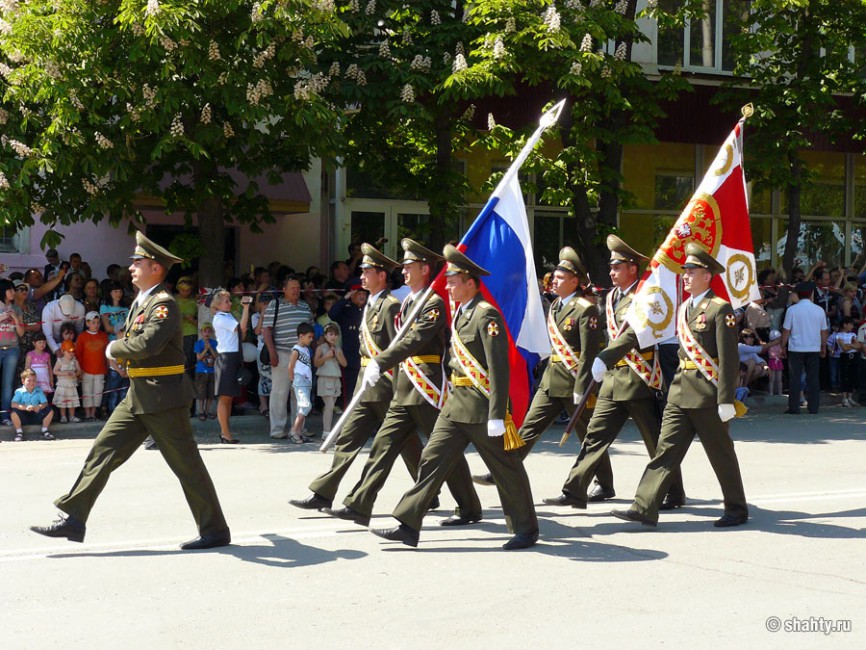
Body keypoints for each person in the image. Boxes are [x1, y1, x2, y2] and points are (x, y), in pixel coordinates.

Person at [30, 231, 230, 550]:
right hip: (138, 393)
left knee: (186, 466)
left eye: (138, 262)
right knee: (102, 451)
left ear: (155, 267)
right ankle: (74, 517)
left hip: (163, 398)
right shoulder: (142, 301)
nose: (132, 267)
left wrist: (113, 350)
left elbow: (148, 344)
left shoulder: (164, 304)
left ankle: (215, 529)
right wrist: (125, 363)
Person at [371, 245, 539, 550]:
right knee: (432, 460)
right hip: (454, 405)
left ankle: (526, 529)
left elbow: (499, 369)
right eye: (447, 280)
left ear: (470, 283)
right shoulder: (461, 313)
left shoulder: (486, 315)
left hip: (481, 405)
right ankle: (408, 523)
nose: (446, 286)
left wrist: (498, 414)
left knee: (507, 468)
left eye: (452, 280)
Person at [326, 239, 482, 528]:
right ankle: (359, 504)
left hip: (426, 387)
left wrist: (380, 361)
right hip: (403, 386)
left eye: (410, 267)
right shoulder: (409, 301)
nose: (405, 271)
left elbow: (414, 341)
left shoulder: (433, 303)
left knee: (445, 451)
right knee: (382, 447)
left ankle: (469, 506)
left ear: (425, 269)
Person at [542, 236, 686, 511]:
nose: (611, 272)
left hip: (638, 379)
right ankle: (574, 489)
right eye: (611, 267)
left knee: (655, 442)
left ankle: (673, 492)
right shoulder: (610, 298)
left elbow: (633, 335)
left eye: (617, 267)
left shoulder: (645, 296)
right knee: (594, 436)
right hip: (612, 381)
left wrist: (604, 357)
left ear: (632, 268)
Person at [609, 243, 748, 529]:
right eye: (685, 271)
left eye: (691, 271)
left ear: (707, 276)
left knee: (721, 453)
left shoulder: (720, 309)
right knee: (665, 450)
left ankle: (736, 508)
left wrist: (726, 399)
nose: (685, 276)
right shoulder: (684, 308)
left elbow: (730, 358)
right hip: (679, 391)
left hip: (707, 394)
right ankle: (644, 506)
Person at [472, 246, 614, 498]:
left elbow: (588, 352)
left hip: (573, 384)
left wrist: (582, 387)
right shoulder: (557, 306)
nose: (554, 281)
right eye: (555, 277)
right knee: (527, 429)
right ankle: (502, 470)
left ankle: (604, 483)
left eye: (560, 278)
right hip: (551, 381)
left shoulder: (585, 309)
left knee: (588, 436)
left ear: (574, 281)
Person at [290, 244, 423, 512]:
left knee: (405, 444)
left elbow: (397, 349)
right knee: (348, 439)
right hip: (367, 384)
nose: (362, 277)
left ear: (382, 276)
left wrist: (396, 386)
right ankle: (323, 493)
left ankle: (428, 489)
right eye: (361, 271)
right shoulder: (371, 305)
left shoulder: (390, 307)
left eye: (367, 271)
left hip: (385, 386)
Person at [263, 275, 313, 440]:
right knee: (280, 391)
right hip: (282, 352)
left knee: (300, 391)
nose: (296, 290)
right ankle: (277, 429)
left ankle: (297, 428)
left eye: (298, 287)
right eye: (293, 287)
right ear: (283, 289)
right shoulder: (275, 305)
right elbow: (266, 330)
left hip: (302, 355)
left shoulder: (305, 306)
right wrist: (272, 353)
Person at [211, 288, 252, 444]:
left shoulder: (227, 316)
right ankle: (225, 433)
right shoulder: (221, 318)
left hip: (232, 357)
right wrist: (246, 308)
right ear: (219, 304)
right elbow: (241, 328)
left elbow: (241, 332)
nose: (229, 303)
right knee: (225, 397)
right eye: (226, 301)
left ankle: (225, 432)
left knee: (228, 398)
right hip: (226, 358)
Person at [781, 281, 828, 415]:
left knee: (794, 378)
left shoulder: (792, 310)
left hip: (796, 348)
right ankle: (813, 407)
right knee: (813, 378)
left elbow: (786, 331)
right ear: (811, 294)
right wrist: (823, 346)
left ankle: (794, 407)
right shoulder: (819, 310)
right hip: (813, 347)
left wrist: (782, 346)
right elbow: (823, 331)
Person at [328, 279, 366, 406]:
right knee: (349, 393)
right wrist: (346, 298)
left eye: (363, 293)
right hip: (350, 358)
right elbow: (332, 314)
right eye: (358, 293)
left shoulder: (369, 309)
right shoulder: (346, 310)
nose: (362, 296)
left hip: (367, 357)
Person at [314, 322, 346, 439]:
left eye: (335, 335)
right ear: (326, 336)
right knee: (329, 405)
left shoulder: (338, 348)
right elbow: (316, 363)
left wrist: (337, 354)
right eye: (331, 334)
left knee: (331, 406)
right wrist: (326, 356)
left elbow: (344, 364)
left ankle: (329, 430)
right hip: (325, 378)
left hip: (335, 379)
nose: (333, 337)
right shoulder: (320, 348)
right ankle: (326, 431)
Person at [75, 312, 109, 421]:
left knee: (97, 393)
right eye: (93, 322)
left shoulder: (103, 336)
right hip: (86, 371)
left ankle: (93, 414)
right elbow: (77, 354)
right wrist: (80, 370)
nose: (96, 325)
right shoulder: (82, 337)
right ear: (87, 323)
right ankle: (87, 414)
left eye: (98, 322)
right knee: (87, 392)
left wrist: (107, 367)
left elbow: (107, 353)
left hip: (100, 370)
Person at [1, 278, 26, 426]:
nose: (13, 292)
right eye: (10, 289)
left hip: (12, 349)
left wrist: (16, 319)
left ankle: (5, 416)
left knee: (8, 384)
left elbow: (21, 333)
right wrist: (3, 317)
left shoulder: (16, 308)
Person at [287, 322, 316, 443]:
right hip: (300, 380)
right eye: (309, 337)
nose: (311, 339)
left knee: (301, 407)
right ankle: (294, 431)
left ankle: (299, 432)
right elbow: (291, 366)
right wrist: (293, 379)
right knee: (305, 405)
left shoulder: (307, 350)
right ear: (301, 336)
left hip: (306, 381)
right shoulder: (296, 350)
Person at [9, 369, 56, 441]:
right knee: (13, 412)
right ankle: (19, 432)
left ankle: (45, 430)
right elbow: (13, 404)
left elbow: (45, 403)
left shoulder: (39, 390)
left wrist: (39, 407)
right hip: (23, 416)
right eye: (29, 380)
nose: (32, 382)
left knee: (49, 410)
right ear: (23, 381)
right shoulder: (19, 391)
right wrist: (25, 407)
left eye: (34, 380)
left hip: (36, 414)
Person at [194, 322, 218, 420]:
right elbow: (199, 357)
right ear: (201, 332)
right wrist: (205, 349)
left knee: (210, 393)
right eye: (205, 331)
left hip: (212, 371)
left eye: (209, 331)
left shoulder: (214, 343)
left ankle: (207, 411)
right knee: (201, 392)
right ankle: (201, 411)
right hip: (201, 371)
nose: (207, 333)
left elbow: (216, 356)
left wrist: (210, 348)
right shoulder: (198, 343)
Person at [175, 276, 198, 379]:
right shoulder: (173, 300)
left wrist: (191, 320)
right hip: (178, 335)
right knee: (181, 361)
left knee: (192, 361)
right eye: (183, 290)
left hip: (193, 333)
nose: (185, 293)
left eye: (188, 290)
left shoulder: (194, 302)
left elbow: (200, 321)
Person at [53, 340, 82, 423]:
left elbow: (79, 371)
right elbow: (55, 371)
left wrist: (75, 374)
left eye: (72, 352)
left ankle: (72, 416)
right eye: (69, 352)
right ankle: (63, 416)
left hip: (72, 384)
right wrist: (64, 373)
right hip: (62, 384)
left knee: (72, 400)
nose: (71, 354)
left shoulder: (75, 361)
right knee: (63, 401)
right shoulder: (60, 361)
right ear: (63, 351)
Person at [835, 316, 860, 407]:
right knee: (844, 376)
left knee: (852, 375)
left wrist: (850, 345)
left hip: (853, 356)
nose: (852, 326)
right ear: (845, 325)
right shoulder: (839, 335)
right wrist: (852, 345)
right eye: (850, 324)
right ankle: (844, 398)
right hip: (844, 357)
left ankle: (850, 397)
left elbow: (858, 346)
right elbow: (844, 348)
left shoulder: (853, 335)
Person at [25, 332, 54, 402]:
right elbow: (27, 368)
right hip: (34, 381)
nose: (42, 344)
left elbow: (50, 368)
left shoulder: (47, 355)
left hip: (44, 380)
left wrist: (51, 380)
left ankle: (43, 412)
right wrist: (27, 380)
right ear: (34, 343)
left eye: (44, 342)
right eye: (40, 342)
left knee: (44, 398)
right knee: (34, 397)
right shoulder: (30, 355)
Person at [766, 329, 784, 396]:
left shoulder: (780, 345)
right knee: (772, 379)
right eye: (778, 338)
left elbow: (782, 354)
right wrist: (778, 355)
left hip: (778, 362)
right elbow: (771, 354)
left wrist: (781, 354)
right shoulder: (770, 345)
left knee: (779, 379)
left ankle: (780, 392)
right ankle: (771, 392)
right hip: (773, 362)